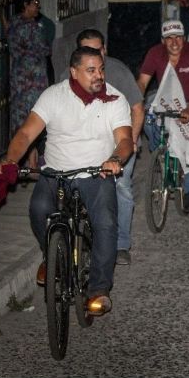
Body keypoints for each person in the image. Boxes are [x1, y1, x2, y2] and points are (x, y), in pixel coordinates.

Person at [0, 46, 133, 316]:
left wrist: (115, 158)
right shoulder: (54, 96)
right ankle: (51, 255)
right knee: (38, 210)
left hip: (96, 174)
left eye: (101, 69)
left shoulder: (115, 99)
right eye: (91, 70)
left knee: (105, 224)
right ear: (74, 71)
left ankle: (98, 290)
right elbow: (26, 134)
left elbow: (125, 140)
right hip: (55, 173)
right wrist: (11, 161)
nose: (99, 76)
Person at [71, 29, 145, 265]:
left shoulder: (118, 71)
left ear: (105, 49)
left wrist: (130, 142)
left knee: (120, 187)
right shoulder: (70, 74)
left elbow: (137, 109)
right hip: (87, 143)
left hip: (120, 142)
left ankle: (121, 244)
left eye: (99, 49)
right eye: (88, 50)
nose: (95, 55)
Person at [137, 19, 189, 213]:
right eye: (169, 38)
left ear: (184, 39)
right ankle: (159, 154)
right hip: (164, 97)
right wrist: (137, 105)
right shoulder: (155, 53)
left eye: (178, 37)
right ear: (163, 40)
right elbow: (142, 82)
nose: (174, 42)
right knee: (147, 119)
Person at [8, 0, 50, 170]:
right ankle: (31, 163)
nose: (38, 6)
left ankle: (27, 162)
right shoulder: (32, 27)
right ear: (25, 4)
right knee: (36, 118)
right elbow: (44, 49)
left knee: (23, 121)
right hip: (33, 80)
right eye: (35, 2)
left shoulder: (13, 23)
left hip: (18, 78)